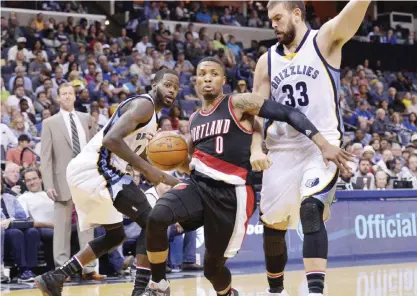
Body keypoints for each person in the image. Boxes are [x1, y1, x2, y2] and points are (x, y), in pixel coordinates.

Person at [140, 57, 351, 296]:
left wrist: (322, 143)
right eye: (202, 74)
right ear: (195, 81)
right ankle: (159, 285)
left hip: (231, 195)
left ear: (223, 80)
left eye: (213, 73)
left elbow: (287, 112)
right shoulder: (194, 119)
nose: (207, 78)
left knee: (212, 268)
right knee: (156, 217)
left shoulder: (238, 103)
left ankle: (228, 293)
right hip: (198, 186)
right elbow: (191, 165)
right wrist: (161, 156)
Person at [252, 1, 371, 295]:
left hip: (321, 147)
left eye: (278, 18)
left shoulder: (324, 39)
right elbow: (255, 111)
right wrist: (256, 148)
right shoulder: (266, 61)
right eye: (270, 20)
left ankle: (315, 290)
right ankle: (275, 290)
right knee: (273, 224)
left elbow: (349, 16)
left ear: (296, 14)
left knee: (310, 209)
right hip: (280, 149)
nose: (274, 25)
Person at [35, 69, 182, 296]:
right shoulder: (145, 105)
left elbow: (139, 155)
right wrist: (149, 171)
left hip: (93, 171)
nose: (171, 90)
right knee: (153, 221)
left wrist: (170, 177)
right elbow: (111, 140)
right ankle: (141, 290)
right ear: (154, 84)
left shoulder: (151, 120)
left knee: (116, 236)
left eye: (175, 87)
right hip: (96, 168)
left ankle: (55, 277)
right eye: (167, 84)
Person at [40, 83, 101, 281]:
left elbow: (95, 149)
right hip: (61, 180)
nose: (66, 97)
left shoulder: (86, 119)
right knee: (62, 228)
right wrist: (48, 184)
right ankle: (63, 269)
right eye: (63, 94)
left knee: (87, 226)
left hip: (85, 178)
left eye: (70, 94)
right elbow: (46, 157)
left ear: (75, 97)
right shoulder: (49, 123)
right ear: (58, 98)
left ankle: (89, 267)